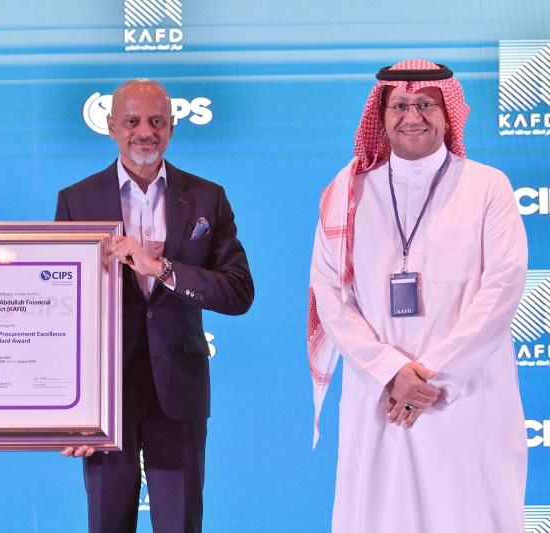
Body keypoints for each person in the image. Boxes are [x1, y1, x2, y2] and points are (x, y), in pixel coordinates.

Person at [308, 60, 528, 532]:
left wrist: (429, 377)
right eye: (400, 106)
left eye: (426, 104)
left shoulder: (486, 186)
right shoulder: (348, 192)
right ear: (381, 115)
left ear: (448, 114)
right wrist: (391, 371)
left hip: (464, 396)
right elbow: (330, 293)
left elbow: (502, 287)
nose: (413, 116)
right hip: (380, 395)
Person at [55, 78, 254, 533]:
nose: (145, 132)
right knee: (106, 523)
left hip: (179, 390)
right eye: (132, 121)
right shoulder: (76, 200)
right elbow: (61, 312)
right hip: (104, 397)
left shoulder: (207, 197)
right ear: (111, 127)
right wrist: (70, 410)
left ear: (172, 126)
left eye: (156, 121)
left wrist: (162, 268)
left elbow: (238, 292)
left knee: (181, 525)